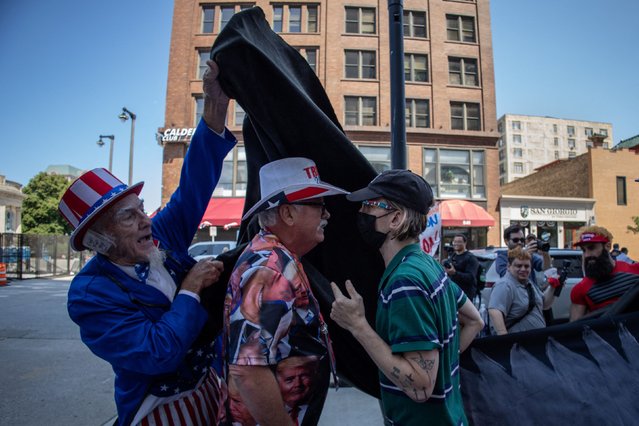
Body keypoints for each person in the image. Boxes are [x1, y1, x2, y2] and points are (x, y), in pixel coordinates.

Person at [59, 60, 235, 425]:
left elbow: (193, 188)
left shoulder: (161, 236)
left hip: (208, 387)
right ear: (99, 239)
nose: (145, 221)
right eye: (128, 216)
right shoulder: (89, 294)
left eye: (141, 208)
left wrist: (215, 106)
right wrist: (189, 290)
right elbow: (158, 353)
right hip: (156, 409)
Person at [329, 170, 484, 426]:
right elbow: (474, 320)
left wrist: (358, 325)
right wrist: (443, 361)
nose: (362, 212)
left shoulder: (405, 282)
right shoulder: (427, 264)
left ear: (396, 219)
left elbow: (421, 388)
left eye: (371, 204)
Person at [223, 157, 348, 426]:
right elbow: (248, 371)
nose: (327, 215)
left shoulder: (278, 259)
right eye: (319, 205)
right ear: (288, 213)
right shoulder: (271, 270)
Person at [570, 226, 639, 321]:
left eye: (591, 248)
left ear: (608, 246)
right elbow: (574, 329)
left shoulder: (636, 271)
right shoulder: (580, 289)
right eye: (584, 250)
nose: (586, 255)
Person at [488, 247, 559, 335]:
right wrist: (504, 340)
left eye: (526, 266)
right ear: (509, 266)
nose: (523, 269)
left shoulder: (529, 283)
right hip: (517, 344)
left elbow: (545, 305)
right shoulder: (504, 285)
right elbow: (495, 311)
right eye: (518, 266)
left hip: (535, 342)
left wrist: (553, 287)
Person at [444, 234, 480, 300]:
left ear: (465, 243)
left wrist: (455, 273)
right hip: (453, 294)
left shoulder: (471, 258)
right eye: (455, 241)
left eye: (459, 242)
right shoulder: (453, 256)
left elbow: (471, 277)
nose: (456, 244)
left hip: (465, 296)